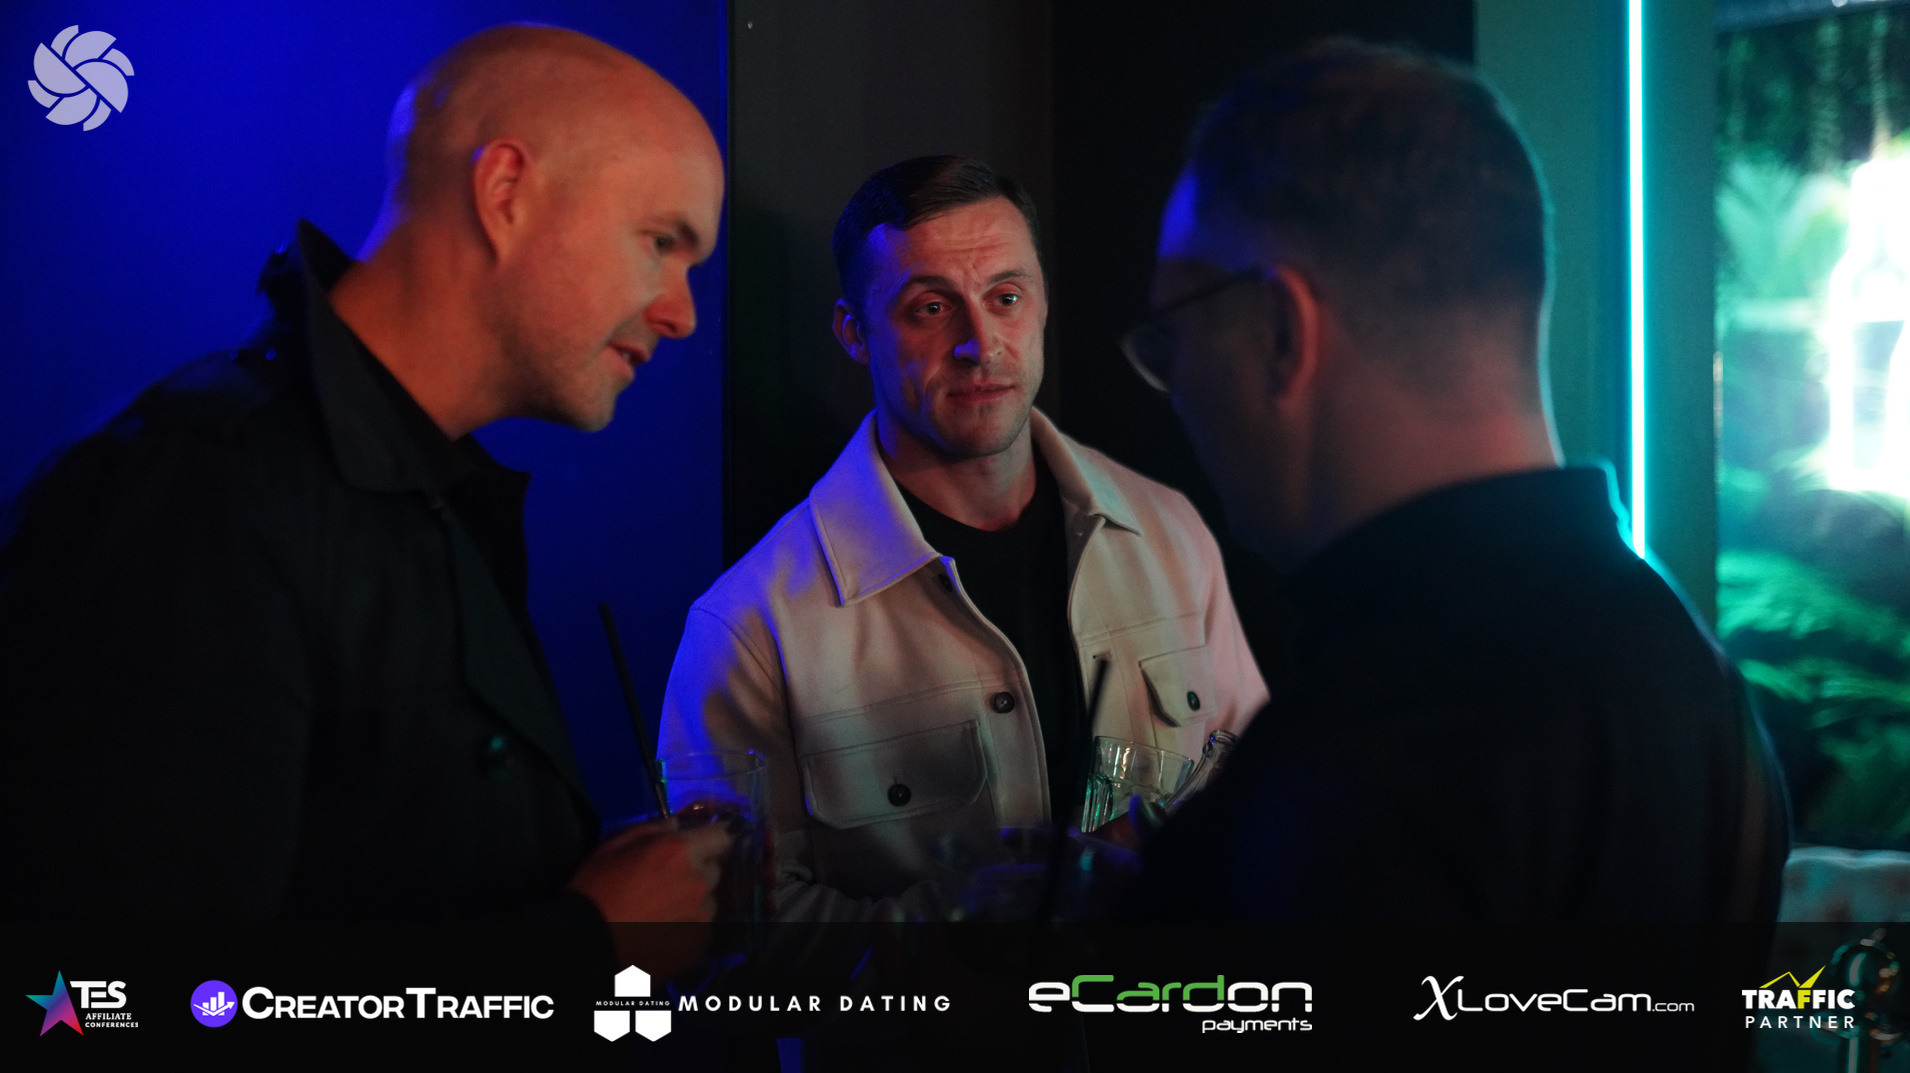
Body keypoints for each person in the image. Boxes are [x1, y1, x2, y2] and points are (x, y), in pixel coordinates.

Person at [0, 26, 731, 945]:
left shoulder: (428, 494)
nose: (682, 312)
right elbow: (117, 999)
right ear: (505, 193)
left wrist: (568, 873)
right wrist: (588, 942)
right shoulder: (187, 496)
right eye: (660, 242)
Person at [1123, 42, 1788, 921]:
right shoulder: (1695, 675)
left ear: (1282, 333)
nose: (1173, 386)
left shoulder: (1355, 759)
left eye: (1174, 332)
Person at [660, 156, 1268, 922]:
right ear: (854, 332)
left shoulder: (1169, 532)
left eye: (1005, 298)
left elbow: (1259, 794)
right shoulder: (751, 629)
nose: (981, 344)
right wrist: (953, 938)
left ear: (1041, 305)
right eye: (929, 308)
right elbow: (730, 935)